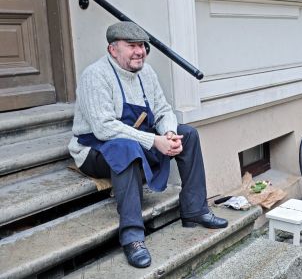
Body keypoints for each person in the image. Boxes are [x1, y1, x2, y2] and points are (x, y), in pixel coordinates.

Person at [68, 21, 227, 268]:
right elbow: (103, 127)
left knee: (189, 135)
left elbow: (163, 110)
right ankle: (132, 237)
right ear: (113, 49)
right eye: (131, 46)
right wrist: (155, 141)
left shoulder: (146, 73)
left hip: (136, 141)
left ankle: (195, 210)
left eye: (142, 45)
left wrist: (170, 134)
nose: (139, 51)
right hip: (94, 150)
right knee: (126, 148)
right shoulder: (95, 75)